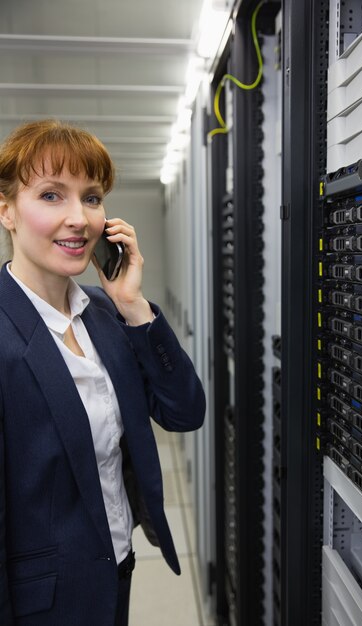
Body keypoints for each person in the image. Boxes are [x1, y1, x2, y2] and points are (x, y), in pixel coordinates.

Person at [0, 119, 205, 626]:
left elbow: (184, 412)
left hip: (117, 567)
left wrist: (134, 305)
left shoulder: (105, 313)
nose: (79, 218)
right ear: (6, 210)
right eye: (51, 195)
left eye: (91, 198)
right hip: (41, 604)